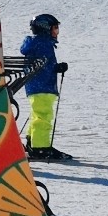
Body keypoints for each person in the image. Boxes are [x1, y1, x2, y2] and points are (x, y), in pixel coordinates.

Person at [20, 13, 70, 163]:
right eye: (54, 28)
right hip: (42, 85)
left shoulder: (38, 43)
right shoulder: (42, 43)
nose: (57, 32)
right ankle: (40, 148)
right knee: (43, 116)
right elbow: (42, 66)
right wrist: (56, 68)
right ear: (45, 28)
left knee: (38, 115)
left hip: (37, 86)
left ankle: (32, 142)